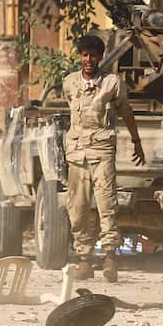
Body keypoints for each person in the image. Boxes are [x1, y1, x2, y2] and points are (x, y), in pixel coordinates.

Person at [63, 35, 146, 283]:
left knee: (106, 205)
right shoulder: (69, 82)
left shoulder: (112, 83)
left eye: (94, 55)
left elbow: (126, 113)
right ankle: (84, 259)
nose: (89, 60)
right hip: (77, 154)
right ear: (80, 56)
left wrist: (136, 141)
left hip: (102, 152)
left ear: (101, 57)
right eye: (85, 55)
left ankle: (109, 257)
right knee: (77, 208)